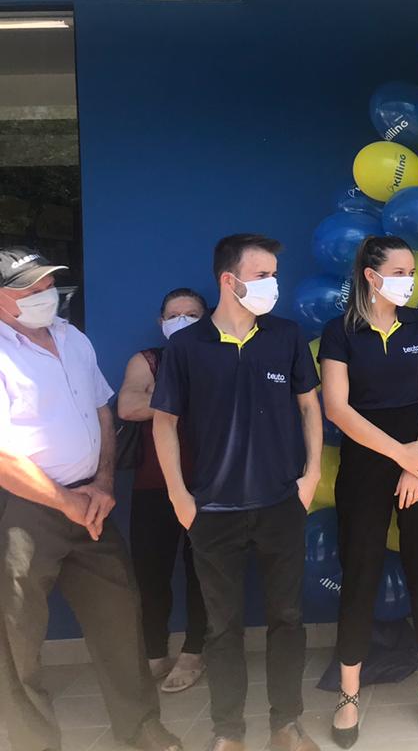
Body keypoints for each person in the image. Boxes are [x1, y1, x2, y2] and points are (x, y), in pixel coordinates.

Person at [0, 247, 182, 751]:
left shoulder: (72, 338)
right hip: (25, 509)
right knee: (17, 635)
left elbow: (102, 409)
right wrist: (65, 501)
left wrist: (102, 483)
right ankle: (35, 742)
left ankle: (140, 726)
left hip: (91, 504)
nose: (45, 295)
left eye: (48, 285)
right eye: (30, 288)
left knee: (119, 616)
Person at [151, 234, 323, 751]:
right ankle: (228, 732)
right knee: (221, 629)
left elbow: (310, 406)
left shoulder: (285, 335)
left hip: (281, 503)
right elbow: (164, 423)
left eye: (274, 275)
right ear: (230, 280)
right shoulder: (187, 347)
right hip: (212, 510)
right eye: (263, 275)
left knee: (287, 619)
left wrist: (311, 475)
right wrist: (180, 496)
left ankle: (286, 724)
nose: (273, 284)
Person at [319, 236, 418, 746]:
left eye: (412, 272)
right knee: (360, 571)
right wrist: (400, 455)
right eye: (399, 272)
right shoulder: (340, 332)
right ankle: (349, 693)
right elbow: (337, 407)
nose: (409, 281)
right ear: (371, 277)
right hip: (368, 461)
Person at [117, 287, 210, 693]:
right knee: (150, 573)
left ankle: (194, 651)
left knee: (202, 572)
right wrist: (188, 399)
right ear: (161, 322)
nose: (182, 321)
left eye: (192, 314)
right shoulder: (148, 360)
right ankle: (155, 652)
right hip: (154, 486)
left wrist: (160, 398)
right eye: (174, 315)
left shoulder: (219, 355)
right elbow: (128, 406)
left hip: (208, 485)